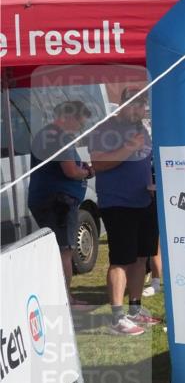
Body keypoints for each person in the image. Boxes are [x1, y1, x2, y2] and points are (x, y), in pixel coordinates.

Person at [89, 89, 161, 335]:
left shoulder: (142, 130)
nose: (138, 111)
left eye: (142, 106)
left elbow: (144, 161)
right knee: (121, 259)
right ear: (122, 105)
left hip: (144, 199)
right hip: (117, 203)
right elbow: (98, 163)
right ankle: (117, 318)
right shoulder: (104, 129)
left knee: (142, 257)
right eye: (133, 105)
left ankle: (135, 309)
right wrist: (130, 147)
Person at [27, 100, 95, 304]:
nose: (80, 128)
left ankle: (62, 296)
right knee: (65, 250)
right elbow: (71, 171)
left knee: (59, 248)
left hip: (49, 200)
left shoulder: (47, 135)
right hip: (59, 203)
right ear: (69, 117)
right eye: (80, 123)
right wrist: (88, 171)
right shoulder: (59, 137)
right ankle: (66, 299)